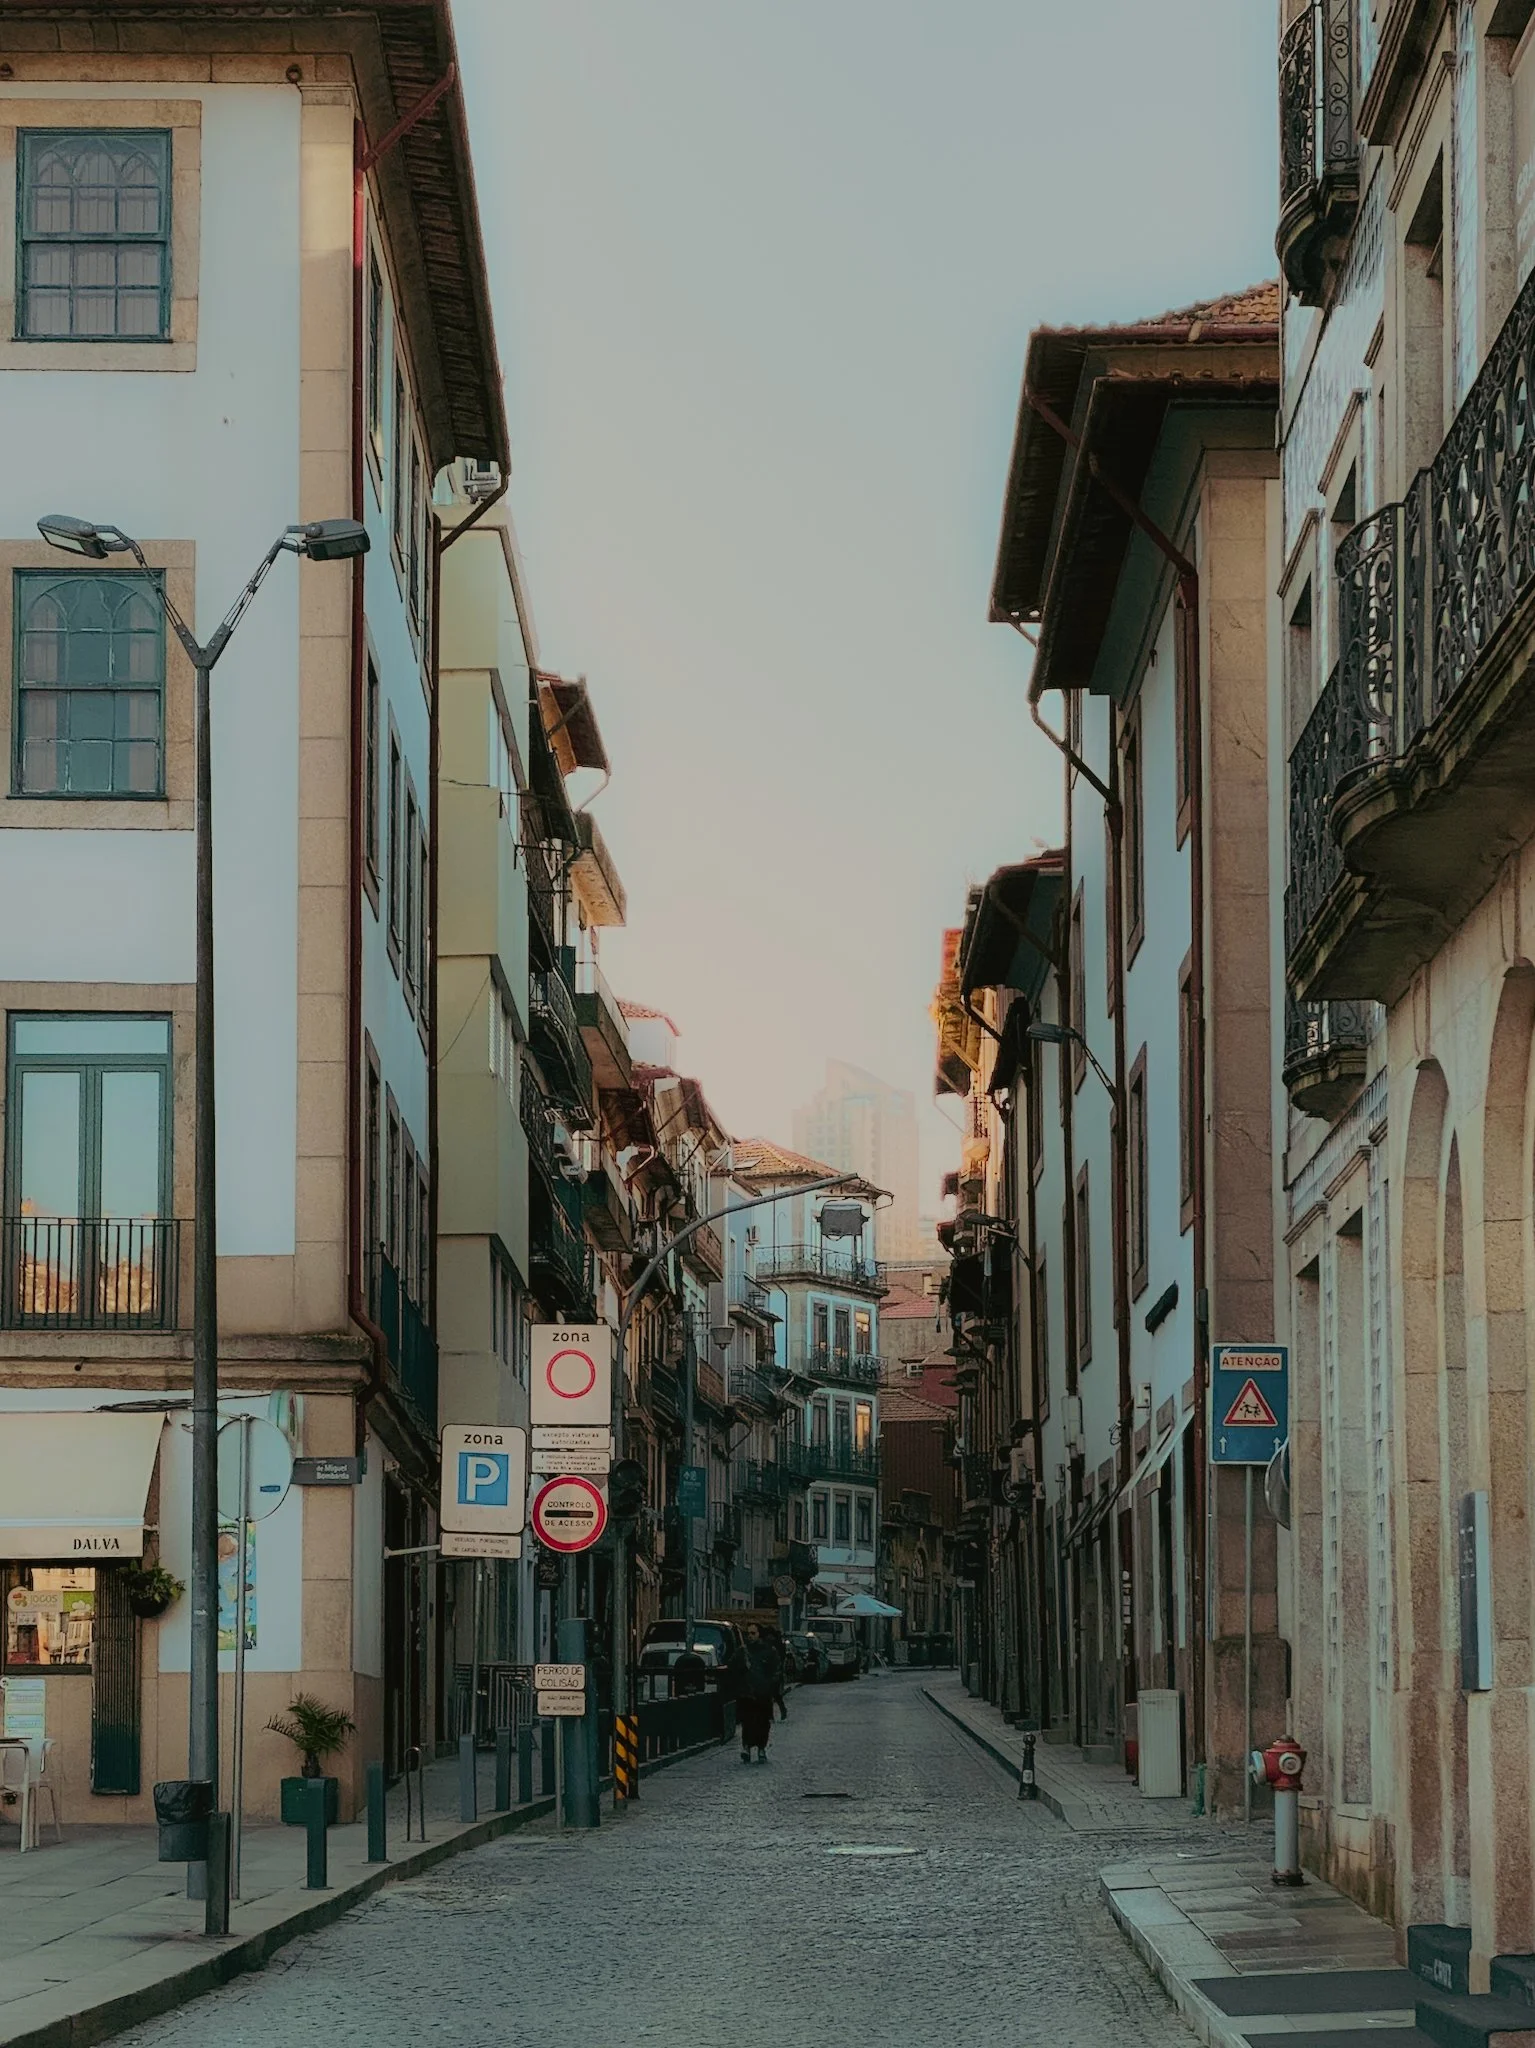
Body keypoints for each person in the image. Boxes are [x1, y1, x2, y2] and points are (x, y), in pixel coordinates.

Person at [729, 1622, 782, 1764]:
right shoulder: (742, 1652)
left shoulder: (769, 1651)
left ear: (759, 1635)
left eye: (753, 1633)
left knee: (763, 1723)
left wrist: (769, 1685)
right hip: (746, 1694)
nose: (750, 1636)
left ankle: (761, 1749)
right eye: (748, 1633)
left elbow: (776, 1670)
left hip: (763, 1695)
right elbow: (733, 1669)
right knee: (747, 1722)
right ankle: (746, 1748)